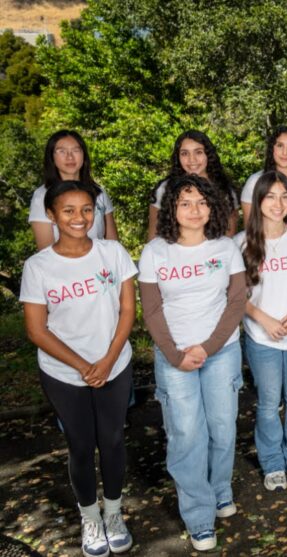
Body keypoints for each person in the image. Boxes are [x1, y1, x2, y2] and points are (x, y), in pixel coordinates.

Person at [21, 180, 136, 556]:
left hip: (114, 365)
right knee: (82, 446)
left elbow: (127, 311)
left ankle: (115, 512)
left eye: (87, 209)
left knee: (113, 440)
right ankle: (90, 517)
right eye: (68, 210)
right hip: (65, 374)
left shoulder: (113, 252)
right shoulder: (38, 267)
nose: (79, 217)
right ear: (51, 215)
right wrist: (85, 366)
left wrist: (106, 361)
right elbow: (37, 330)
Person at [138, 175, 247, 552]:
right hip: (174, 357)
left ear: (212, 207)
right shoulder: (155, 252)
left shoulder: (226, 248)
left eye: (202, 202)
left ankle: (219, 491)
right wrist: (175, 354)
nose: (195, 210)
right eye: (185, 203)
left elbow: (236, 302)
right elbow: (151, 309)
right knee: (186, 436)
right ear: (172, 209)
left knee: (222, 429)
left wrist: (209, 346)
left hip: (221, 352)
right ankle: (199, 517)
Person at [235, 171, 287, 492]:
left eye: (284, 197)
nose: (278, 203)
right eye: (270, 196)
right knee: (269, 402)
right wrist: (263, 319)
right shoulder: (241, 242)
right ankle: (272, 463)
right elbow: (237, 295)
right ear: (258, 201)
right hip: (262, 336)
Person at [29, 130, 119, 250]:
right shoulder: (42, 196)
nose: (70, 157)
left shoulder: (99, 193)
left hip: (100, 267)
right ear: (51, 157)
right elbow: (46, 251)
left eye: (76, 150)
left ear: (84, 155)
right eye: (62, 151)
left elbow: (113, 243)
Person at [147, 130, 238, 240]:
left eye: (198, 152)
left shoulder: (225, 191)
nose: (192, 159)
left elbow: (229, 237)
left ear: (208, 154)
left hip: (213, 255)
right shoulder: (165, 189)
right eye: (185, 153)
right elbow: (153, 236)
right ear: (178, 157)